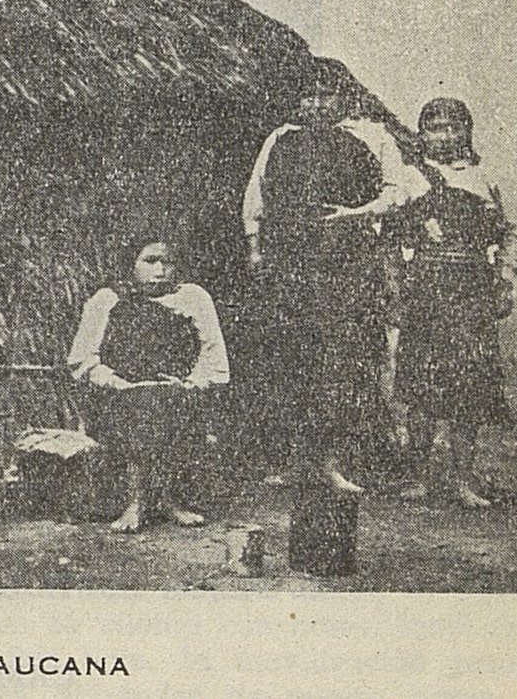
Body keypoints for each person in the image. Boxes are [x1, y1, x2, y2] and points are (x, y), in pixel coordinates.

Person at [241, 67, 427, 494]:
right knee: (291, 357)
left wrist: (355, 215)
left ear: (343, 98)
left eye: (327, 95)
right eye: (309, 96)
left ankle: (335, 460)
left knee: (342, 360)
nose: (317, 105)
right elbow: (257, 195)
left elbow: (399, 190)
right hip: (290, 260)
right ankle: (291, 460)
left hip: (347, 261)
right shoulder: (281, 137)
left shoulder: (372, 134)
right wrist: (256, 248)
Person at [388, 98, 513, 507]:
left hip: (472, 290)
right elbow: (389, 241)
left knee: (469, 388)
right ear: (421, 134)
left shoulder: (484, 178)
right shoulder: (409, 179)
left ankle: (463, 478)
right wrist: (396, 289)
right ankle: (418, 477)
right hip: (426, 290)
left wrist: (505, 283)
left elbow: (509, 235)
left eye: (454, 127)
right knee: (423, 387)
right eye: (435, 127)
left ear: (467, 131)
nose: (445, 135)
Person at [66, 235, 229, 533]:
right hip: (116, 395)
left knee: (159, 400)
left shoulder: (191, 297)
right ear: (132, 264)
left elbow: (212, 353)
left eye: (167, 262)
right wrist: (117, 383)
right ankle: (139, 501)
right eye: (150, 261)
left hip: (177, 391)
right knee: (147, 403)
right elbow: (82, 359)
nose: (160, 270)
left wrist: (190, 383)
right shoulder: (107, 298)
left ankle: (160, 499)